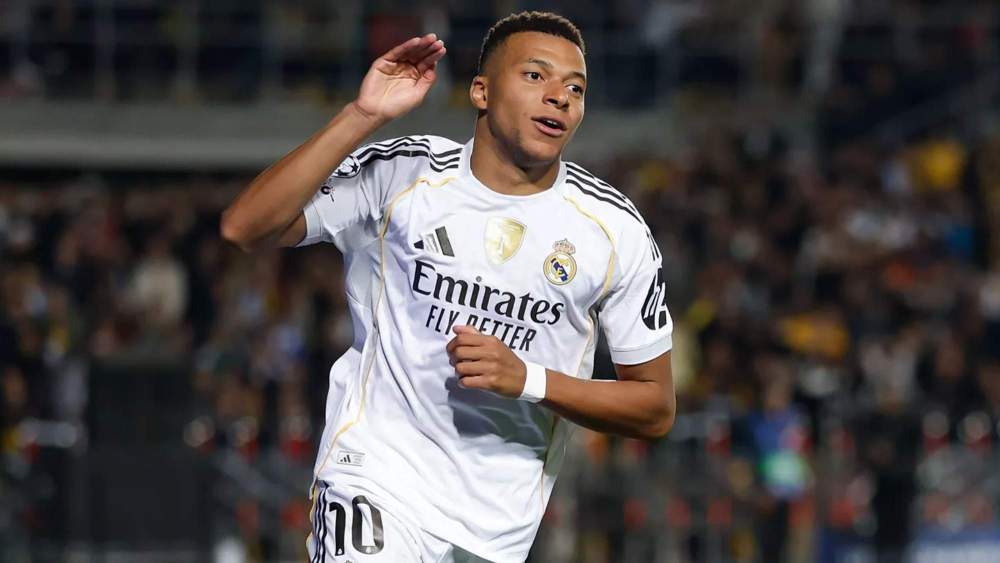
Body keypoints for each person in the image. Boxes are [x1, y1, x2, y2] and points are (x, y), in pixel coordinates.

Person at [221, 11, 675, 562]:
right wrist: (362, 115)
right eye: (535, 76)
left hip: (497, 530)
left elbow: (655, 407)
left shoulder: (613, 232)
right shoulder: (403, 175)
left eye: (574, 88)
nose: (559, 96)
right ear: (480, 91)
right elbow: (245, 226)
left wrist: (527, 379)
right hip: (376, 480)